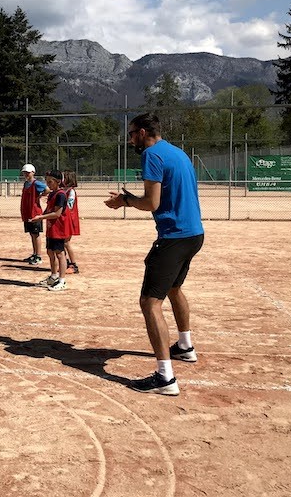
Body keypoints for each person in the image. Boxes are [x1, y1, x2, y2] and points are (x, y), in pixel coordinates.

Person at [105, 113, 204, 396]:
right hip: (194, 234)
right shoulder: (177, 152)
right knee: (174, 288)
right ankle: (184, 346)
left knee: (150, 303)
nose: (130, 140)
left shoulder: (151, 155)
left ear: (142, 132)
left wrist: (124, 201)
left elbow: (152, 203)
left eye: (131, 134)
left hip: (173, 237)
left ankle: (165, 378)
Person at [30, 170, 70, 291]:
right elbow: (48, 210)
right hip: (51, 228)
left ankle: (62, 280)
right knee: (50, 252)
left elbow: (57, 213)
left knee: (60, 254)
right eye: (47, 182)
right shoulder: (52, 194)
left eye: (50, 182)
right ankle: (53, 276)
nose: (48, 184)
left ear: (58, 181)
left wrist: (40, 217)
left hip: (59, 228)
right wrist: (38, 216)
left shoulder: (61, 195)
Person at [20, 163, 48, 265]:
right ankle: (34, 253)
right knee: (32, 234)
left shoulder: (36, 183)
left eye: (28, 172)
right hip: (27, 212)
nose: (26, 174)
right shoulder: (26, 184)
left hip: (35, 212)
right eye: (24, 172)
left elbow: (47, 189)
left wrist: (41, 195)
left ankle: (38, 256)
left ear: (33, 172)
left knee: (36, 234)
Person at [62, 170, 80, 275]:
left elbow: (69, 205)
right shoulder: (63, 190)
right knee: (61, 243)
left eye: (64, 177)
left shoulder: (71, 191)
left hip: (69, 220)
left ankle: (73, 265)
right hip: (63, 219)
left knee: (66, 243)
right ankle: (66, 263)